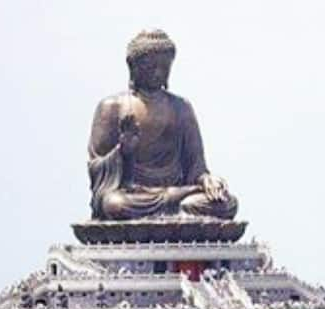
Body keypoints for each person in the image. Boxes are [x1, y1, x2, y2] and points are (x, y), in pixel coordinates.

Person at [87, 29, 238, 220]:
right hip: (133, 196)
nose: (158, 72)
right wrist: (123, 150)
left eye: (164, 66)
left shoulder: (181, 107)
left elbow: (196, 167)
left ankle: (177, 214)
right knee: (114, 204)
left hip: (178, 193)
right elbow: (96, 168)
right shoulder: (112, 107)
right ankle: (177, 218)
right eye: (150, 66)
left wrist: (208, 180)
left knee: (226, 203)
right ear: (132, 65)